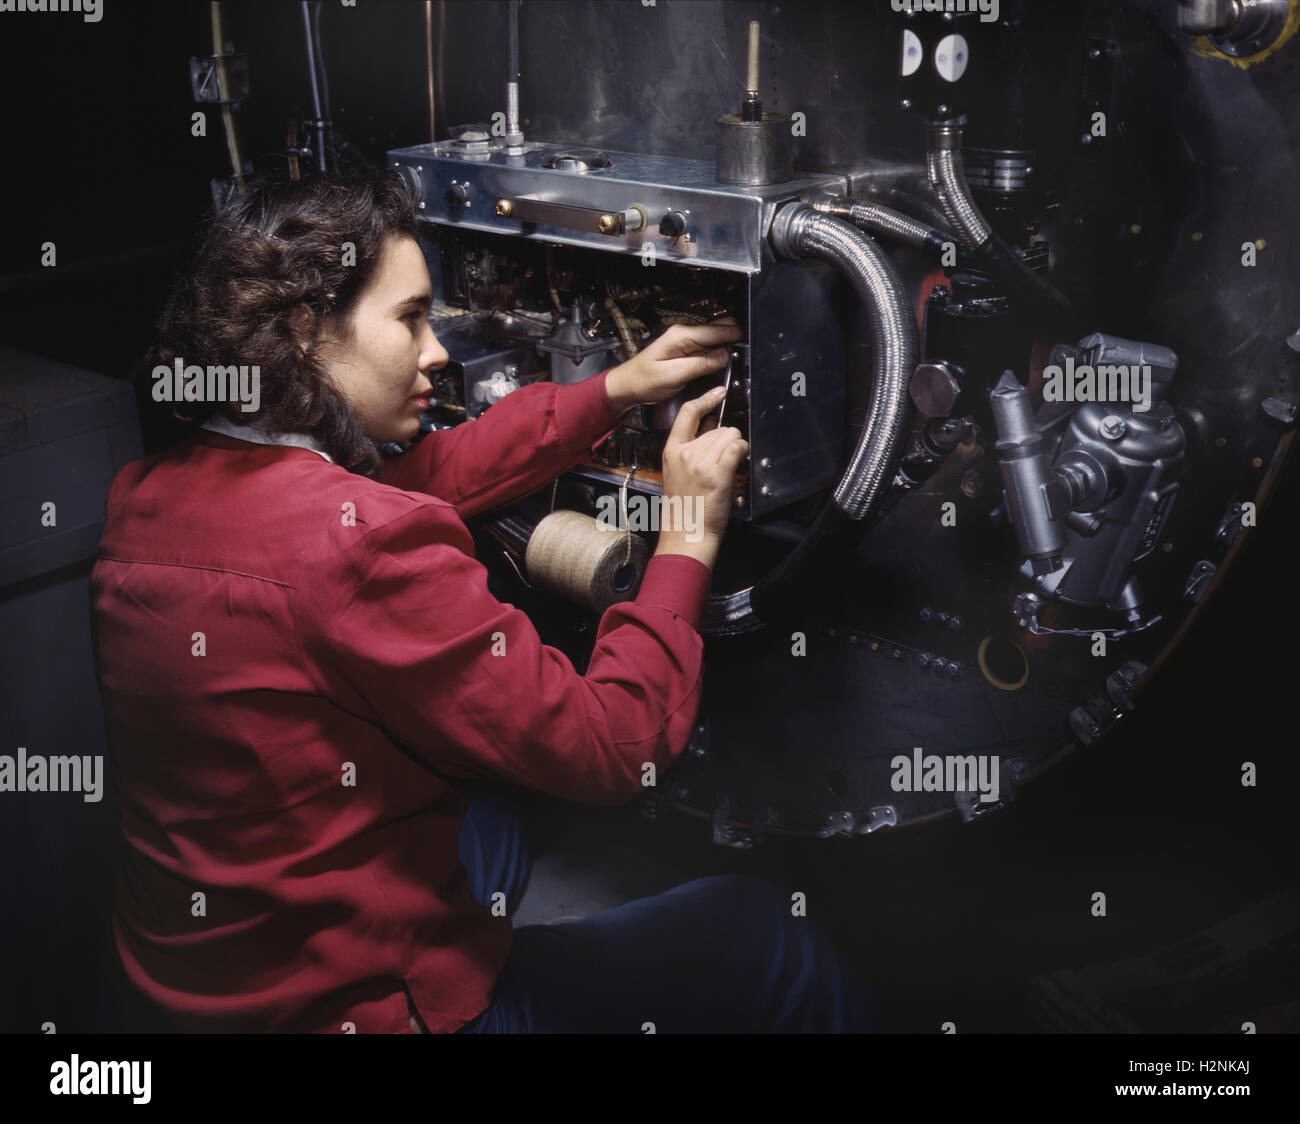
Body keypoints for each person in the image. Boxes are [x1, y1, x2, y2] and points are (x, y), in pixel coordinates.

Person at [92, 166, 889, 1034]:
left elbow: (415, 485)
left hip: (185, 995)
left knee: (493, 826)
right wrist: (688, 532)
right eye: (409, 319)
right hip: (363, 1015)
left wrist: (617, 388)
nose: (438, 350)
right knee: (769, 935)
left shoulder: (143, 499)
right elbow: (616, 745)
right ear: (304, 330)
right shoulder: (361, 548)